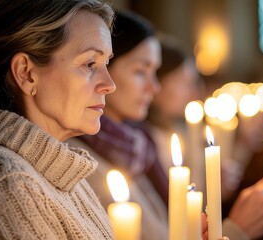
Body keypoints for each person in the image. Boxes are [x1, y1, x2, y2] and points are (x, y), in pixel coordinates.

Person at [0, 0, 117, 238]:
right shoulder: (1, 180)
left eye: (106, 63)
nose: (110, 85)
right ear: (26, 73)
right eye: (90, 64)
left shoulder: (57, 174)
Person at [144, 36, 263, 240]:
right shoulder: (148, 144)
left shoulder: (178, 129)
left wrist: (241, 147)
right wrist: (235, 228)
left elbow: (202, 192)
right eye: (186, 82)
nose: (195, 92)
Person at [67, 10, 170, 240]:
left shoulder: (137, 145)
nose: (154, 87)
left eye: (155, 72)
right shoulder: (78, 159)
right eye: (140, 72)